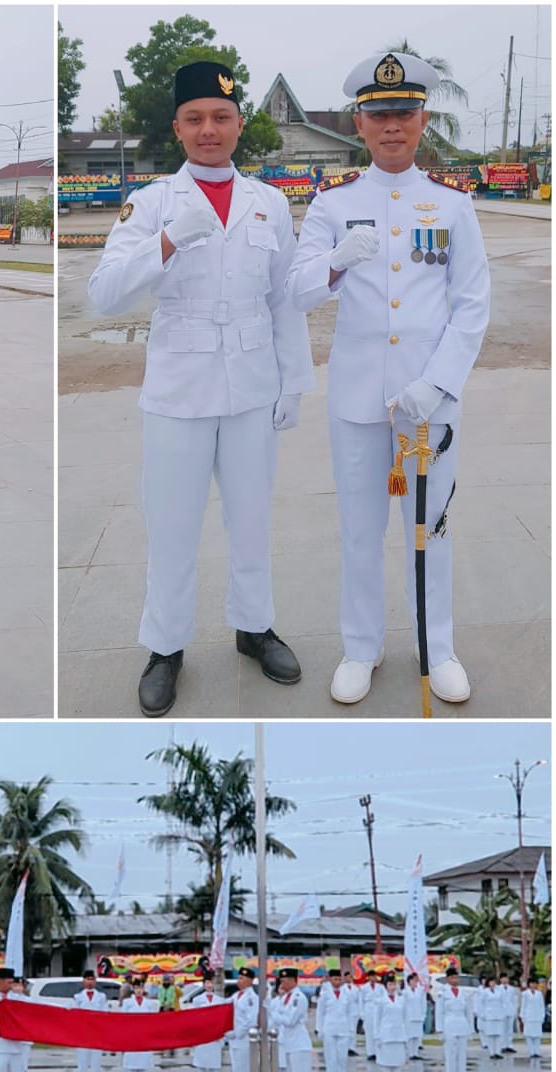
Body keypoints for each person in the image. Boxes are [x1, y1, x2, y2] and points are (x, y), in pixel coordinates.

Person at [87, 61, 314, 717]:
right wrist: (162, 244)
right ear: (178, 128)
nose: (208, 129)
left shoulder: (268, 203)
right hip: (179, 389)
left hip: (250, 384)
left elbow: (282, 302)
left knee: (251, 519)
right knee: (173, 527)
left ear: (240, 124)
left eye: (220, 117)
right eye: (195, 118)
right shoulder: (154, 201)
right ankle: (165, 646)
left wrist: (293, 383)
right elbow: (103, 295)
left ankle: (254, 627)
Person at [288, 53, 490, 705]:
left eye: (403, 112)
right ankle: (360, 648)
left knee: (430, 528)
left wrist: (441, 381)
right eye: (379, 114)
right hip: (356, 398)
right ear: (360, 123)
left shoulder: (452, 206)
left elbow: (472, 302)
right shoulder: (333, 203)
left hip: (430, 399)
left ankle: (438, 648)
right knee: (359, 528)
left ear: (422, 119)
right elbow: (295, 293)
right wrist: (337, 265)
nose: (392, 125)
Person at [269, 968, 312, 1072]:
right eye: (281, 980)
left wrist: (276, 1014)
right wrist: (278, 1013)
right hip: (288, 1044)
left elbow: (290, 1020)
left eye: (286, 980)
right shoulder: (284, 998)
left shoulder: (298, 998)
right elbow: (279, 1015)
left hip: (299, 1044)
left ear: (294, 981)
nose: (282, 983)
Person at [224, 966, 258, 1072]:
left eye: (242, 978)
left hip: (245, 1041)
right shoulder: (236, 996)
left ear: (250, 981)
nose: (239, 981)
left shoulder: (252, 998)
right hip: (235, 1041)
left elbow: (251, 1021)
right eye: (238, 978)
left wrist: (237, 1032)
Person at [434, 967, 473, 1072]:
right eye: (452, 977)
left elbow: (469, 1013)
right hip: (449, 1025)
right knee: (451, 1057)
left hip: (462, 1025)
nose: (455, 980)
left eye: (457, 977)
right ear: (448, 979)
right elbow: (439, 1012)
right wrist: (439, 1030)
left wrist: (470, 1029)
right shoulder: (443, 993)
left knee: (462, 1058)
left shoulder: (464, 993)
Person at [71, 970, 109, 1072]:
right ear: (83, 981)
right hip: (82, 1034)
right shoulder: (77, 997)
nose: (90, 981)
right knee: (82, 1064)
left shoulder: (102, 997)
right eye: (87, 979)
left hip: (96, 1034)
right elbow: (74, 1015)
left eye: (92, 979)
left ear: (95, 981)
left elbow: (105, 1014)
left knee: (96, 1064)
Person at [315, 968, 352, 1072]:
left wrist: (350, 1030)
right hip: (329, 1029)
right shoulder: (325, 993)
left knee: (342, 1060)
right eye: (335, 979)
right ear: (330, 979)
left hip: (343, 1029)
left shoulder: (346, 992)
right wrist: (319, 1029)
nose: (337, 982)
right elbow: (320, 1012)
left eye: (339, 979)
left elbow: (349, 1012)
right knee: (331, 1059)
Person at [122, 977, 159, 1072]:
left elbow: (153, 1021)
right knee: (132, 1066)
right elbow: (123, 1020)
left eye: (141, 988)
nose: (139, 991)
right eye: (137, 988)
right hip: (132, 1037)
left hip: (144, 1037)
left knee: (142, 1066)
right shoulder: (127, 1003)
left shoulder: (149, 1003)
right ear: (133, 989)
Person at [374, 974, 409, 1072]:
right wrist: (377, 1036)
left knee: (398, 1063)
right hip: (386, 1034)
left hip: (399, 1034)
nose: (392, 987)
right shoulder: (380, 1001)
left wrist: (406, 1034)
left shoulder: (401, 1000)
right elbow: (377, 1020)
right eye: (390, 984)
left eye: (394, 984)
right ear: (385, 986)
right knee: (386, 1064)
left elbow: (405, 1018)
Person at [190, 973, 224, 1072]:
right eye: (207, 983)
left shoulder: (220, 1000)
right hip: (202, 1034)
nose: (209, 985)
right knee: (202, 1064)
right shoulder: (197, 1000)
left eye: (211, 983)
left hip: (215, 1034)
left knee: (213, 1064)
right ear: (204, 985)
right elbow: (194, 1018)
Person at [360, 971, 385, 1060]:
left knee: (378, 1032)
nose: (373, 978)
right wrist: (362, 1014)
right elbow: (361, 1001)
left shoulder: (381, 987)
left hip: (377, 1008)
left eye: (374, 976)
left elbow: (384, 999)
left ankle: (378, 1052)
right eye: (371, 977)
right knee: (369, 1032)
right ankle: (370, 1052)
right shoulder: (364, 988)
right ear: (368, 977)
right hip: (368, 1008)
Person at [402, 971, 427, 1059]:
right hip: (409, 1016)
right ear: (409, 981)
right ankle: (410, 1053)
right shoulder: (405, 992)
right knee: (410, 1036)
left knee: (417, 1035)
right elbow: (403, 1005)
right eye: (413, 980)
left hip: (418, 1015)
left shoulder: (420, 991)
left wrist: (423, 1014)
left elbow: (423, 1003)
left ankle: (415, 1053)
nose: (415, 982)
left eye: (416, 980)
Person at [480, 976, 505, 1060]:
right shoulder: (484, 992)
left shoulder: (500, 992)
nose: (492, 984)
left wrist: (503, 1013)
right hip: (489, 1015)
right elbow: (481, 1004)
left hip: (498, 1015)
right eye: (491, 982)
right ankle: (492, 1052)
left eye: (494, 982)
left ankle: (498, 1052)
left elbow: (503, 1003)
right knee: (490, 1035)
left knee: (498, 1035)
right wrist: (483, 1014)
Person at [519, 978, 545, 1057]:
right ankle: (531, 1052)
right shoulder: (525, 994)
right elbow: (523, 1005)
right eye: (531, 983)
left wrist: (542, 1016)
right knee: (529, 1035)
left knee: (537, 1035)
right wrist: (522, 1016)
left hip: (537, 1017)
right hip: (528, 1017)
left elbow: (542, 1006)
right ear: (529, 984)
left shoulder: (539, 994)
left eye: (534, 983)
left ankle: (536, 1052)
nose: (533, 985)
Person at [498, 974, 518, 1053]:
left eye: (506, 978)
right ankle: (502, 1045)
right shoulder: (498, 988)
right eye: (503, 978)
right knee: (502, 1028)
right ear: (500, 979)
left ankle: (509, 1045)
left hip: (510, 1010)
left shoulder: (512, 989)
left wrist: (515, 1010)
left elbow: (514, 1000)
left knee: (510, 1029)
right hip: (501, 1011)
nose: (505, 980)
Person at [343, 970, 360, 1055]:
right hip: (345, 1012)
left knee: (353, 1030)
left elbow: (359, 1001)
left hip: (354, 1011)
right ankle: (345, 1048)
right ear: (345, 978)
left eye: (350, 976)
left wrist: (360, 1012)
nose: (349, 978)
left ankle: (352, 1048)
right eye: (347, 977)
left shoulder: (356, 989)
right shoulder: (342, 988)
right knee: (346, 1030)